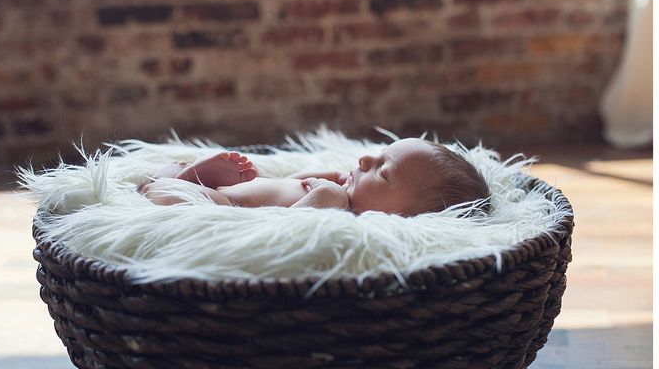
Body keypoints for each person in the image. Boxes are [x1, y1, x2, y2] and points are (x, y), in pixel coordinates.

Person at [138, 138, 490, 217]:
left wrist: (325, 194)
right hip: (235, 192)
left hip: (228, 206)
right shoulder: (339, 190)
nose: (364, 159)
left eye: (382, 171)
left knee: (173, 193)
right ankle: (187, 177)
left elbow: (288, 225)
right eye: (377, 153)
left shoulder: (334, 206)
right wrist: (325, 178)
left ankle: (166, 182)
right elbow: (295, 180)